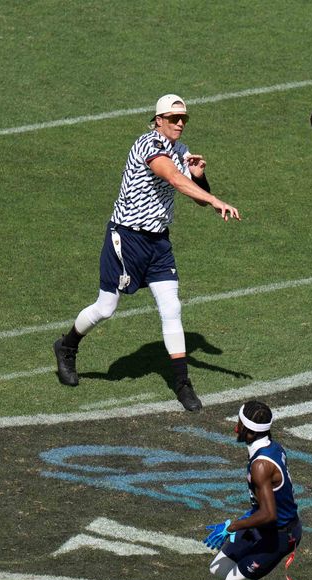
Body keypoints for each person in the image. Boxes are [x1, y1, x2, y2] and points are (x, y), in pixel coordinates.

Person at [52, 94, 240, 411]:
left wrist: (200, 178)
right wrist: (214, 199)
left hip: (158, 243)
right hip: (126, 239)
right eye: (174, 118)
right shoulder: (147, 145)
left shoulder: (181, 151)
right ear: (159, 120)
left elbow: (194, 194)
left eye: (183, 119)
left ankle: (182, 383)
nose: (180, 123)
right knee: (106, 307)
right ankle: (67, 346)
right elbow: (174, 179)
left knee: (171, 307)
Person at [202, 400, 302, 580]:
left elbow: (269, 514)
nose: (235, 429)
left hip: (280, 534)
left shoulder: (260, 465)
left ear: (249, 431)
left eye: (239, 424)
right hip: (264, 525)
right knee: (218, 568)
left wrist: (233, 526)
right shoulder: (271, 447)